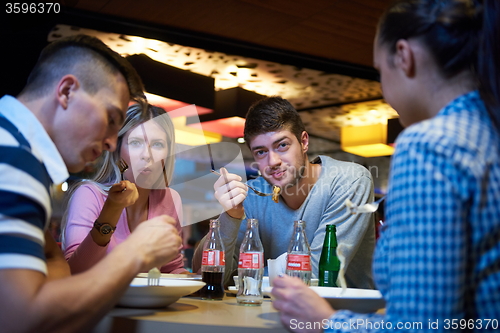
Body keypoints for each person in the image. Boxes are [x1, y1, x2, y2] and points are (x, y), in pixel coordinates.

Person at [271, 0, 500, 332]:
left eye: (380, 70)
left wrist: (326, 322)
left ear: (404, 57)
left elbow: (421, 327)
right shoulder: (487, 129)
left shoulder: (430, 145)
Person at [0, 35, 182, 333]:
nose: (111, 143)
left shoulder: (16, 150)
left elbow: (54, 274)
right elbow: (21, 320)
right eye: (110, 118)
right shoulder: (13, 159)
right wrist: (135, 252)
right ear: (67, 91)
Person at [194, 96, 376, 289]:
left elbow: (315, 276)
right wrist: (230, 216)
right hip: (266, 312)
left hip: (345, 314)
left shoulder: (349, 181)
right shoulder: (253, 194)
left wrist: (246, 276)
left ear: (304, 142)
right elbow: (211, 276)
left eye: (282, 145)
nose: (273, 161)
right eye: (261, 152)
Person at [62, 103, 187, 274]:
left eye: (157, 144)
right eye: (135, 143)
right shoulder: (89, 194)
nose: (146, 155)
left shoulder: (170, 198)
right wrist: (112, 209)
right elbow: (75, 270)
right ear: (117, 150)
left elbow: (171, 268)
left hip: (152, 301)